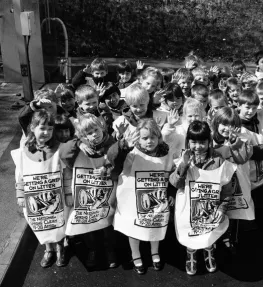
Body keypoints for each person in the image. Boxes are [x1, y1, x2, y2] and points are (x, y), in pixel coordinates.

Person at [107, 119, 175, 275]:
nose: (149, 141)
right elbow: (114, 164)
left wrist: (171, 192)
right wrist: (122, 145)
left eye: (153, 137)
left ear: (159, 137)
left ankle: (155, 252)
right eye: (144, 138)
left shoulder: (166, 153)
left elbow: (171, 173)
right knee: (134, 226)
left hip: (156, 197)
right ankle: (135, 255)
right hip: (132, 197)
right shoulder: (130, 152)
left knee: (155, 223)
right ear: (138, 138)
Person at [169, 120, 236, 275]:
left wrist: (222, 207)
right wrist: (184, 165)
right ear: (188, 142)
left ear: (208, 142)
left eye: (202, 142)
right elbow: (174, 183)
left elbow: (227, 188)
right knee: (190, 230)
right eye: (193, 142)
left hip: (210, 204)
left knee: (208, 231)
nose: (197, 146)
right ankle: (190, 254)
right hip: (188, 205)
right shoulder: (182, 157)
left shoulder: (218, 160)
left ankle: (209, 251)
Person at [12, 110, 71, 268]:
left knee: (58, 222)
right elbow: (21, 175)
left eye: (50, 129)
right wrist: (20, 194)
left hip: (56, 197)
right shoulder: (25, 150)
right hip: (35, 198)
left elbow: (66, 175)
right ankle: (48, 249)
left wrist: (69, 194)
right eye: (42, 128)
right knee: (42, 223)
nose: (46, 132)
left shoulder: (59, 149)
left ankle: (60, 249)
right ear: (32, 127)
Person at [64, 113, 117, 268]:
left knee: (107, 221)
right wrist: (78, 142)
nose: (94, 134)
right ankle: (93, 249)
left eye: (96, 129)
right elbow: (64, 154)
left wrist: (106, 169)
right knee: (88, 221)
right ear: (83, 135)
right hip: (86, 190)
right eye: (89, 133)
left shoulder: (111, 143)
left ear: (101, 127)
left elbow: (119, 165)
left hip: (106, 190)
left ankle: (110, 250)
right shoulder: (80, 146)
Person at [211, 107, 255, 249]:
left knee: (234, 210)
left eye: (231, 125)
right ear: (216, 123)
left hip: (236, 183)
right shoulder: (210, 140)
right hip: (217, 183)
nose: (227, 128)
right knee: (217, 208)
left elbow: (242, 158)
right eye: (224, 124)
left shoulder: (243, 140)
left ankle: (229, 236)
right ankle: (215, 235)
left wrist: (235, 143)